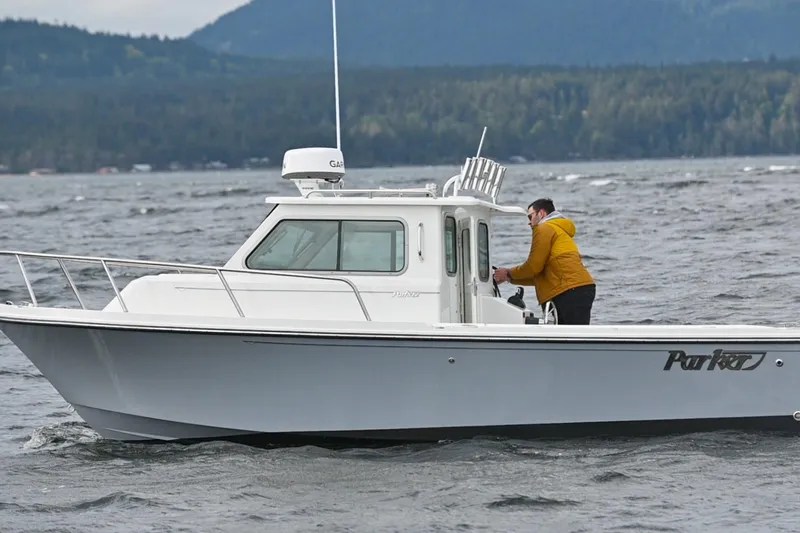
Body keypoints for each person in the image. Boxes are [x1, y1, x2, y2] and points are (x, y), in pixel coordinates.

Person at [493, 198, 596, 325]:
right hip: (576, 289)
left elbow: (533, 267)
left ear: (541, 214)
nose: (529, 223)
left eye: (530, 217)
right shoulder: (556, 230)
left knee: (574, 339)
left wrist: (509, 273)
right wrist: (509, 278)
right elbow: (540, 275)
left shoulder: (544, 228)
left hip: (570, 291)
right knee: (571, 338)